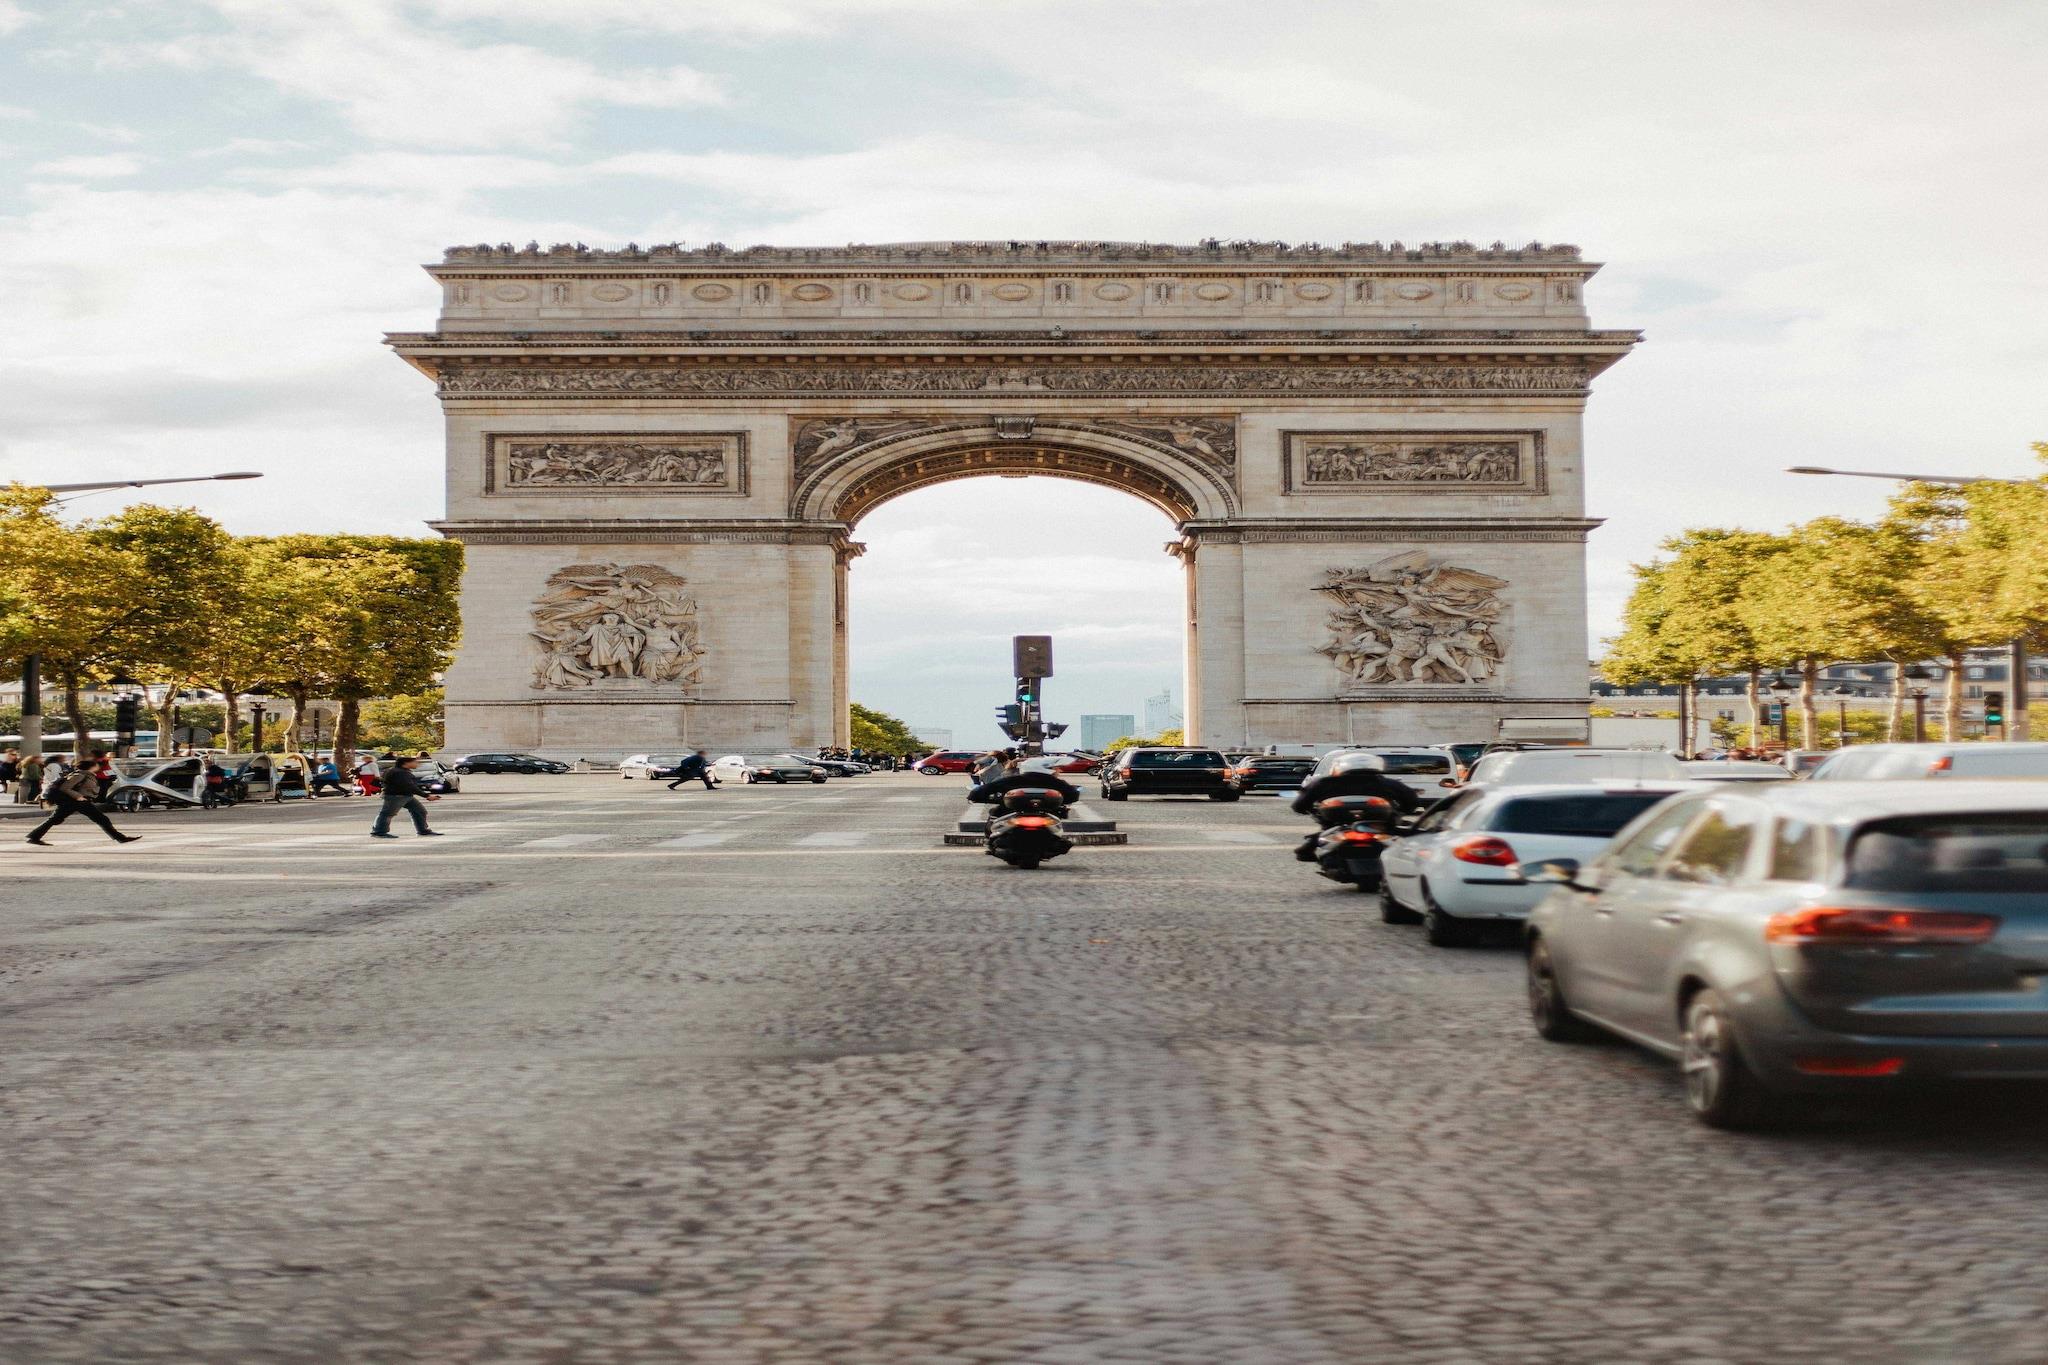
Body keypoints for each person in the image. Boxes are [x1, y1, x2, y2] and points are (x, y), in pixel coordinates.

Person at [27, 757, 138, 846]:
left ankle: (34, 837)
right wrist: (78, 796)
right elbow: (65, 788)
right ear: (91, 766)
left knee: (55, 819)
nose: (97, 766)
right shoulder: (79, 775)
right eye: (95, 765)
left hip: (77, 802)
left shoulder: (87, 775)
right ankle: (120, 838)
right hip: (76, 802)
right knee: (101, 819)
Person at [1290, 752, 1421, 818]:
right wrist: (1401, 812)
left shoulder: (1323, 783)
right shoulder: (1387, 783)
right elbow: (1412, 800)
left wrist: (1314, 812)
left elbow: (1299, 805)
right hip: (1380, 825)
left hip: (1336, 824)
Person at [370, 755, 442, 840]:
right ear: (406, 763)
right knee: (387, 813)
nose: (417, 764)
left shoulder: (396, 770)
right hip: (396, 796)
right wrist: (427, 795)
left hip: (405, 795)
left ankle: (423, 830)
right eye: (414, 762)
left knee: (419, 811)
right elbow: (409, 786)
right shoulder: (400, 773)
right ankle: (379, 832)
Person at [968, 755, 1082, 807]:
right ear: (1046, 769)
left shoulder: (1012, 780)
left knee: (994, 814)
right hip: (1046, 816)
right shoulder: (1057, 783)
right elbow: (1073, 796)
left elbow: (985, 789)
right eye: (1056, 768)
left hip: (1013, 816)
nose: (1059, 770)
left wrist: (974, 797)